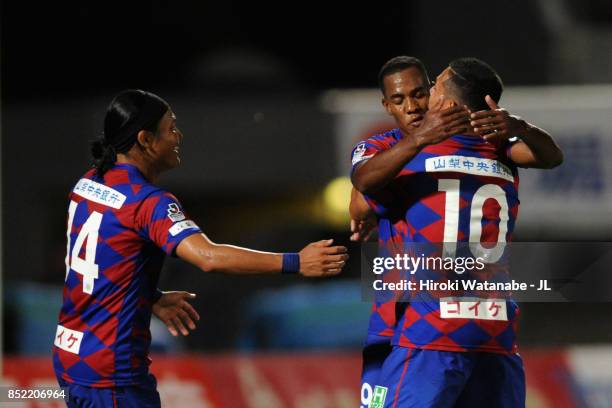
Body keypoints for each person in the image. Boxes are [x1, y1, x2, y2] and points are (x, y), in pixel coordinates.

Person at [53, 89, 348, 408]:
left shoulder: (89, 182)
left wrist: (149, 297)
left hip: (70, 355)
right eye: (171, 128)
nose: (178, 136)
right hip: (111, 373)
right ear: (145, 139)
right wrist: (296, 262)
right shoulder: (149, 202)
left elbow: (100, 259)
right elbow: (207, 256)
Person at [350, 57, 562, 408]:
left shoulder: (400, 153)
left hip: (424, 330)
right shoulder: (498, 147)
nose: (416, 104)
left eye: (426, 91)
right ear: (386, 105)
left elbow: (363, 189)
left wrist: (363, 198)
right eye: (400, 99)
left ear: (444, 102)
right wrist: (519, 126)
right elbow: (552, 157)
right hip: (493, 329)